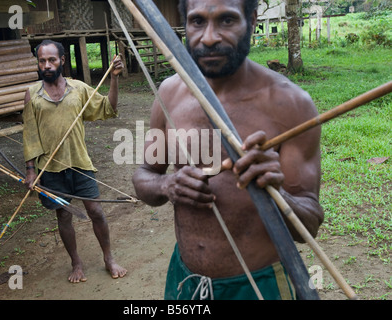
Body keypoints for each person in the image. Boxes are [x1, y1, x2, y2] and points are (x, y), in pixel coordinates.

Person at [132, 0, 324, 300]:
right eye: (197, 22)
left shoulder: (292, 106)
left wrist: (277, 193)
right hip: (186, 282)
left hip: (259, 286)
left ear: (252, 19)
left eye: (226, 20)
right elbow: (144, 176)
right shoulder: (169, 93)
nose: (209, 37)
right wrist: (167, 184)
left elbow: (308, 226)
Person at [22, 39, 127, 283]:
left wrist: (113, 77)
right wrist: (30, 171)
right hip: (50, 168)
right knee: (64, 215)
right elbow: (29, 134)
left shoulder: (78, 89)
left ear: (62, 61)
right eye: (42, 61)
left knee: (96, 211)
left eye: (51, 60)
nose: (47, 65)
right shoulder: (32, 94)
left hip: (79, 162)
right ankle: (76, 263)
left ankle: (109, 259)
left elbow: (108, 108)